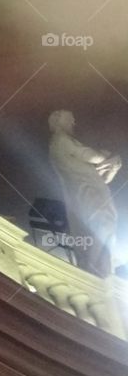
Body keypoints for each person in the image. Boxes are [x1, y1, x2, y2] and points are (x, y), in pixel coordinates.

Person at [48, 110, 121, 277]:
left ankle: (101, 270)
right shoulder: (61, 140)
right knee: (102, 225)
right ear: (58, 121)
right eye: (70, 119)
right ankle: (95, 270)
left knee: (104, 227)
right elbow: (90, 156)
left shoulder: (63, 143)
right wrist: (108, 157)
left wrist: (111, 164)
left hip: (90, 191)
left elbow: (101, 176)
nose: (73, 123)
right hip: (87, 193)